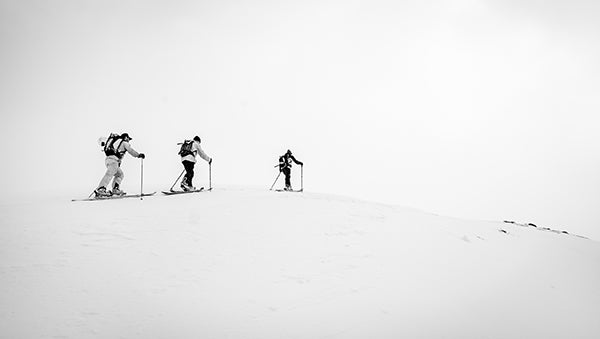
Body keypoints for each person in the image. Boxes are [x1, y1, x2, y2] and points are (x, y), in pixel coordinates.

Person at [95, 133, 145, 197]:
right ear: (126, 137)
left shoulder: (115, 143)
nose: (128, 140)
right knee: (109, 174)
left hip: (109, 160)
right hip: (113, 160)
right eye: (128, 139)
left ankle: (115, 189)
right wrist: (138, 155)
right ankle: (101, 189)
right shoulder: (124, 143)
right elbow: (131, 150)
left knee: (120, 174)